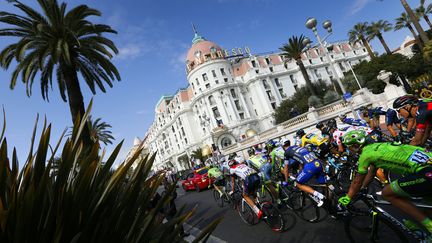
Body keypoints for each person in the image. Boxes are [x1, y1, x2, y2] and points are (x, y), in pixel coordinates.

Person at [338, 131, 432, 237]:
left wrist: (348, 197)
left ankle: (429, 226)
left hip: (426, 173)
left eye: (348, 147)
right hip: (428, 163)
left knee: (386, 193)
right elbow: (372, 171)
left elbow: (357, 181)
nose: (348, 150)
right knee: (427, 206)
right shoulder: (377, 146)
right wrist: (363, 187)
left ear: (355, 146)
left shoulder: (365, 155)